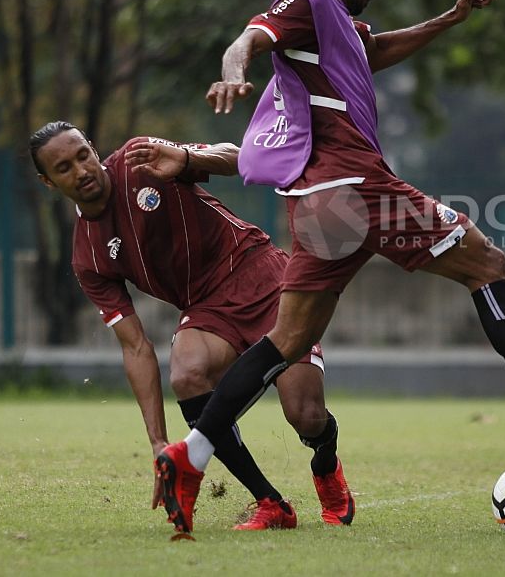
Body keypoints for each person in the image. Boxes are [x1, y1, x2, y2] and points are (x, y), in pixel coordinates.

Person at [155, 0, 505, 534]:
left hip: (319, 203)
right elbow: (248, 39)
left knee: (288, 340)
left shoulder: (338, 27)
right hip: (355, 187)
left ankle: (188, 457)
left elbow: (376, 50)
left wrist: (451, 19)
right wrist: (233, 71)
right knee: (486, 264)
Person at [30, 121, 355, 531]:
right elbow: (135, 348)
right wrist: (158, 444)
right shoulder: (87, 258)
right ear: (48, 182)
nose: (81, 171)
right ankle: (271, 503)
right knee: (186, 371)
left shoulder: (140, 159)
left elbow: (240, 158)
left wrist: (186, 158)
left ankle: (326, 464)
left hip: (262, 274)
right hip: (206, 308)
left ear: (93, 148)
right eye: (64, 168)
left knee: (305, 415)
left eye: (82, 155)